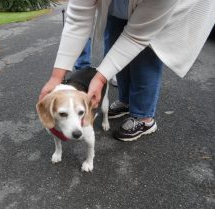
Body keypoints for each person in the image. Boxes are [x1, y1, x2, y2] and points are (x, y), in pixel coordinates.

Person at [39, 0, 215, 141]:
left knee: (146, 56)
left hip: (164, 8)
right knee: (115, 47)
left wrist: (99, 79)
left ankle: (144, 118)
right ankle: (125, 101)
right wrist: (56, 77)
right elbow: (77, 19)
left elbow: (136, 37)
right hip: (118, 7)